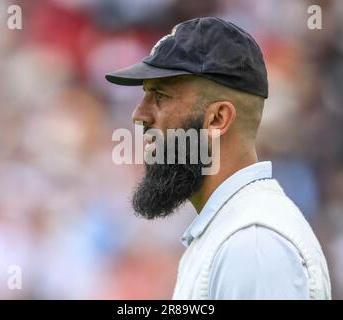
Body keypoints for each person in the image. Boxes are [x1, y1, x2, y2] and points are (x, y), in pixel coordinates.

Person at [105, 17, 331, 299]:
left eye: (160, 95)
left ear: (217, 118)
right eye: (145, 95)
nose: (139, 115)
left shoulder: (252, 242)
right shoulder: (231, 230)